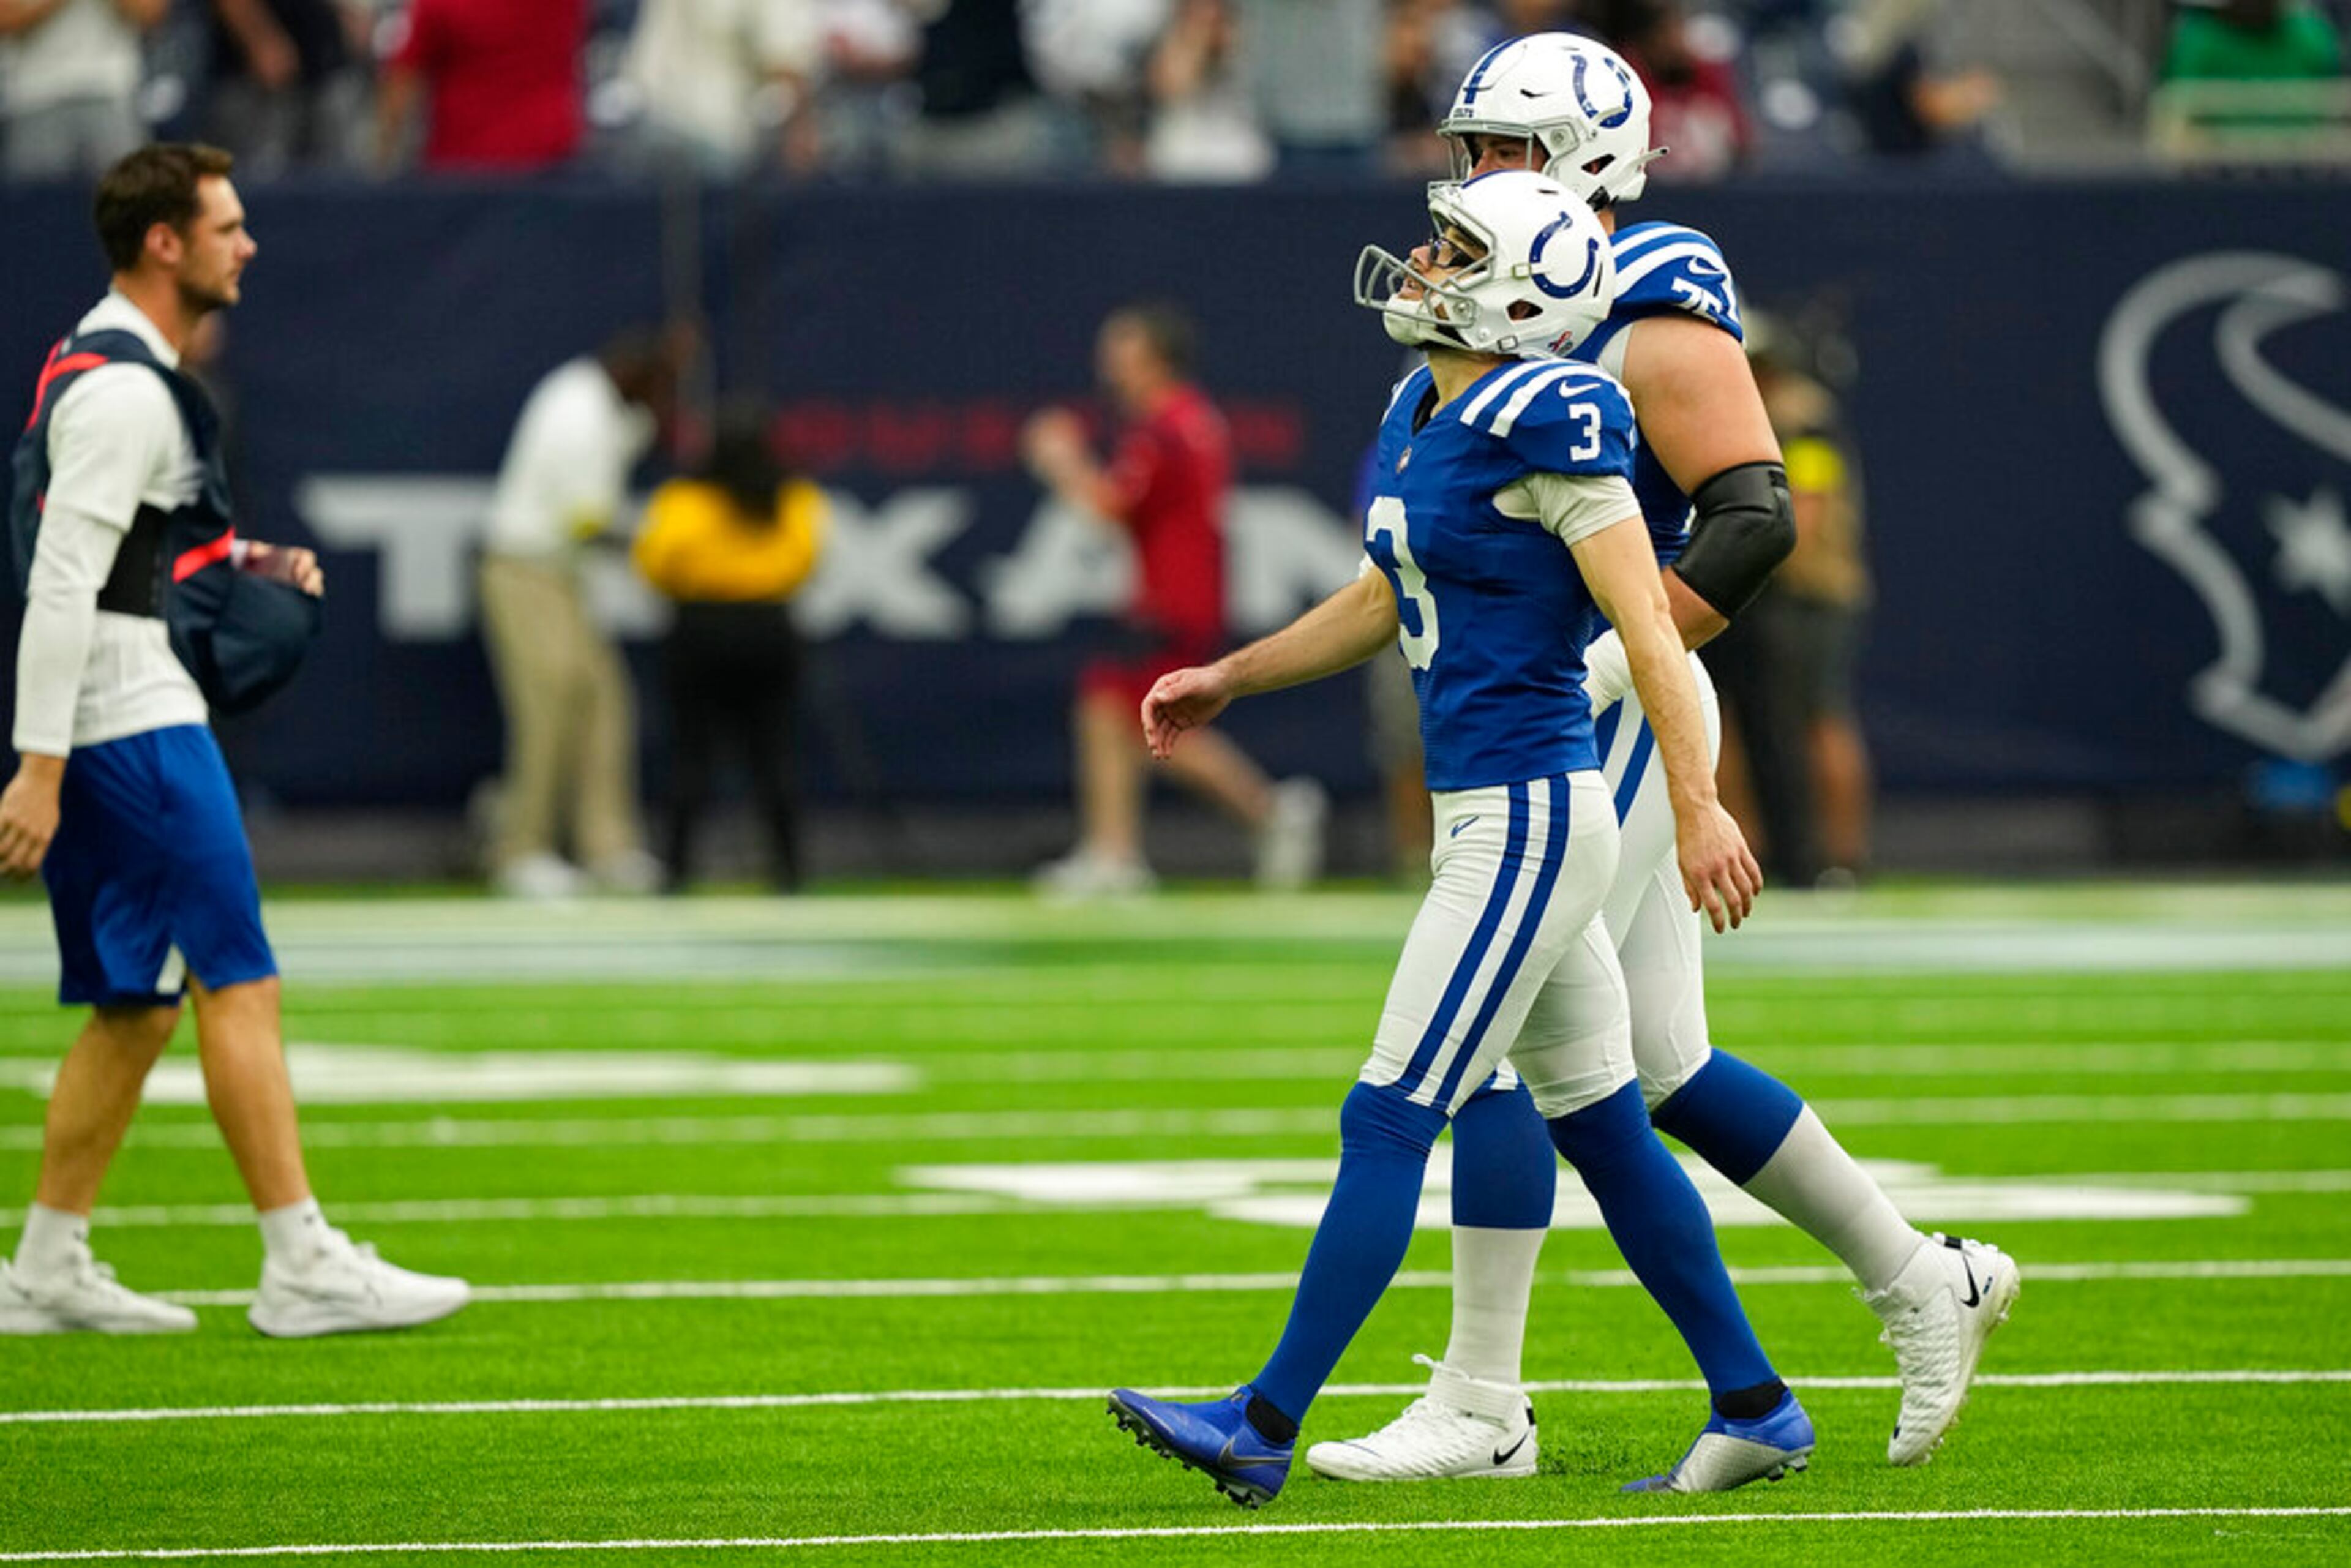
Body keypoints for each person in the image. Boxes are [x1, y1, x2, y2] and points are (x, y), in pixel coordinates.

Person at [1307, 34, 2016, 1487]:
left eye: (1503, 149)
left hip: (1601, 699)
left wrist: (1619, 653)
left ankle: (1482, 1400)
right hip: (1537, 693)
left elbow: (1753, 515)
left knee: (1502, 1035)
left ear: (1585, 160)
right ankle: (1912, 1278)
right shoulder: (1484, 290)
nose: (1472, 177)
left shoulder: (1646, 293)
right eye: (1470, 148)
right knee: (1662, 1064)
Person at [1106, 170, 1810, 1507]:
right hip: (1489, 808)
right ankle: (1756, 1401)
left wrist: (1701, 795)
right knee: (1600, 1121)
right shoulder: (1427, 401)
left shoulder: (1556, 415)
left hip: (1533, 815)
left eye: (1456, 247)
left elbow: (1648, 629)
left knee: (1387, 1111)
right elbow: (1384, 595)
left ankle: (1260, 1419)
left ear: (1523, 288)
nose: (1426, 259)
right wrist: (1231, 676)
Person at [0, 143, 468, 1337]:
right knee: (238, 979)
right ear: (166, 241)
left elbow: (117, 560)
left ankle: (46, 1262)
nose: (247, 244)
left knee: (135, 1006)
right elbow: (63, 579)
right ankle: (299, 1257)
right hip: (132, 722)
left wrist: (235, 563)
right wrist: (40, 760)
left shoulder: (101, 360)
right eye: (226, 225)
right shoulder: (125, 390)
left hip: (113, 713)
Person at [1022, 302, 1324, 897]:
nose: (1110, 367)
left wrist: (1060, 461)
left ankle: (1269, 810)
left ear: (1156, 359)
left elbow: (1109, 506)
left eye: (1123, 352)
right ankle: (1114, 851)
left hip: (1172, 599)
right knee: (1106, 703)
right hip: (1179, 592)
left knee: (1153, 720)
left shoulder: (1164, 427)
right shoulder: (1189, 419)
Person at [478, 328, 682, 900]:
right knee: (551, 699)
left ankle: (608, 848)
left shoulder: (606, 402)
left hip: (562, 576)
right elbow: (587, 520)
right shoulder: (578, 412)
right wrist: (668, 547)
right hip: (523, 570)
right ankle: (519, 851)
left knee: (604, 701)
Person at [632, 406, 827, 891]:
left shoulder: (686, 501)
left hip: (701, 630)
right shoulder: (793, 499)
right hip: (767, 629)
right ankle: (788, 871)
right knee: (773, 756)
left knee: (691, 756)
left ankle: (677, 870)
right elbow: (806, 560)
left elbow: (656, 562)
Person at [0, 0, 166, 182]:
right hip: (35, 98)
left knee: (132, 200)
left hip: (110, 92)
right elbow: (6, 20)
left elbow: (150, 15)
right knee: (34, 206)